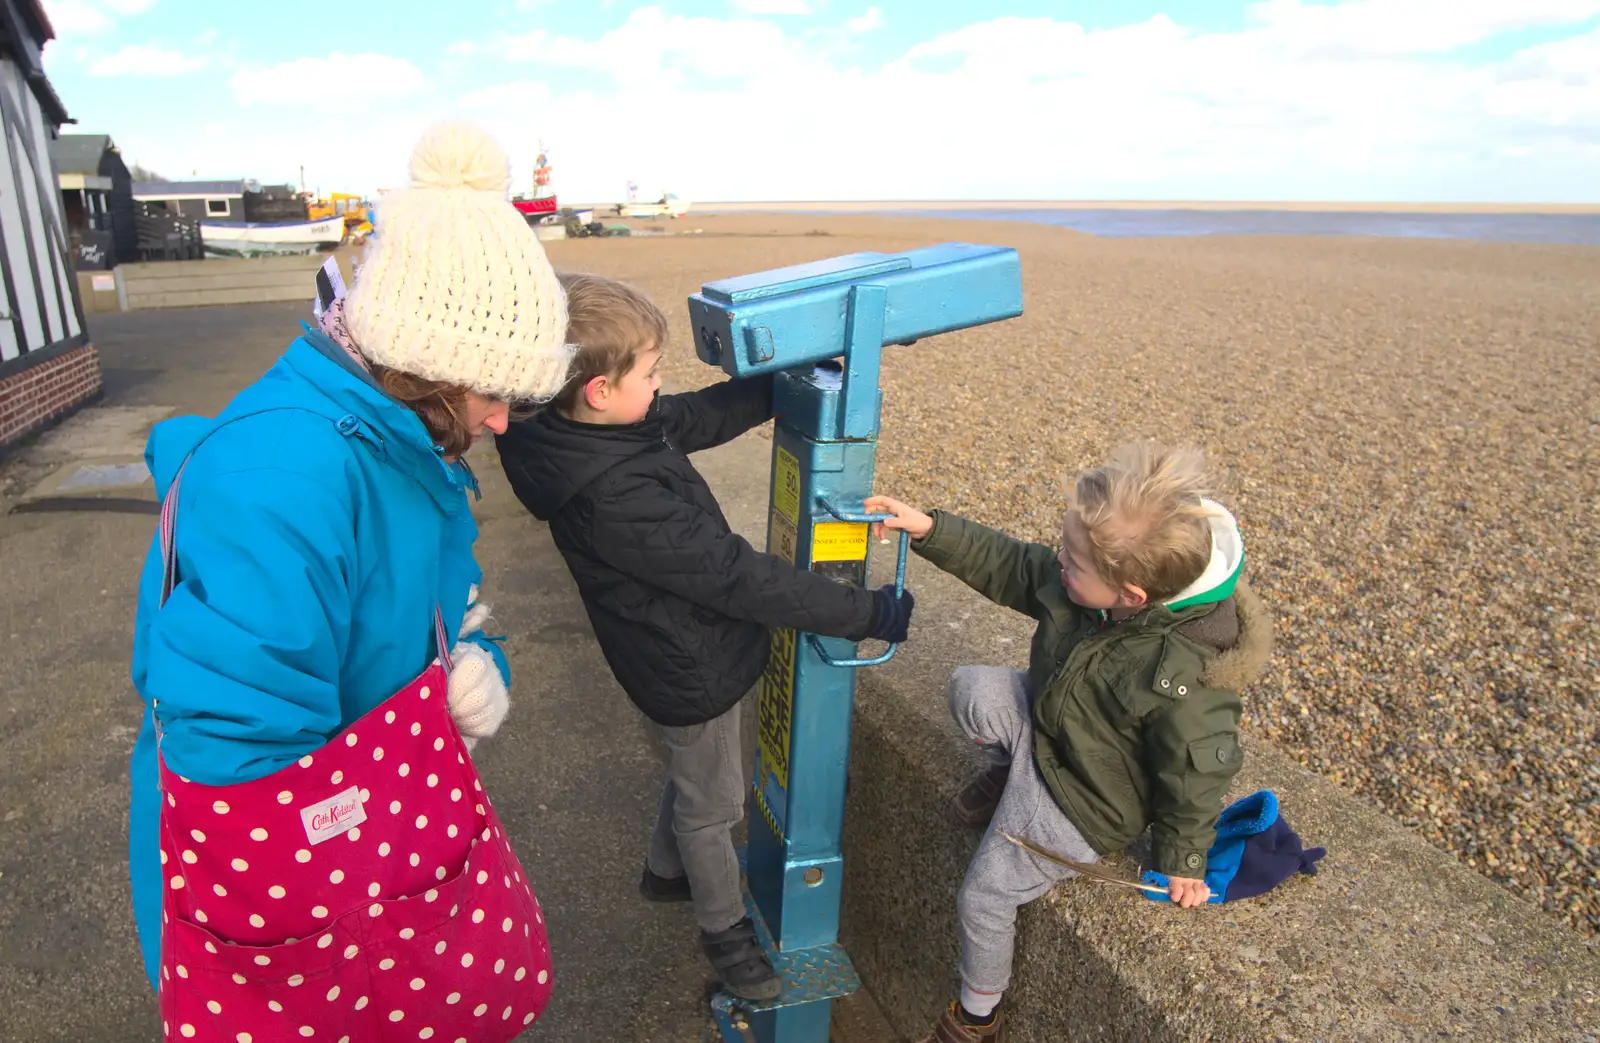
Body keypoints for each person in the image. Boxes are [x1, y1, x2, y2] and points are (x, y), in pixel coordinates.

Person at [128, 122, 570, 1038]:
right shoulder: (285, 482)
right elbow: (236, 771)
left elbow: (439, 601)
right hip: (294, 901)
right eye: (491, 389)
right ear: (419, 361)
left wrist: (474, 656)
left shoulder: (398, 440)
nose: (500, 419)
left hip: (360, 847)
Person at [495, 272, 915, 1000]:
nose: (660, 386)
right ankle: (724, 932)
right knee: (715, 804)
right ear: (598, 388)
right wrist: (865, 612)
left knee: (697, 771)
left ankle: (665, 874)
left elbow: (694, 417)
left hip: (680, 651)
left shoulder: (581, 431)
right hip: (687, 664)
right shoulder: (614, 498)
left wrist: (776, 387)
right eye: (651, 372)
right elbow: (738, 576)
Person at [865, 442, 1274, 1042]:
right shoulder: (1090, 585)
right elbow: (1013, 566)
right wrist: (929, 530)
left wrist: (1184, 859)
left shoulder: (1183, 671)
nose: (1060, 562)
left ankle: (977, 1015)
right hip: (1052, 728)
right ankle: (1012, 770)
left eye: (1073, 561)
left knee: (984, 895)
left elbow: (1197, 768)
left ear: (1131, 595)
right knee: (970, 689)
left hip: (1084, 799)